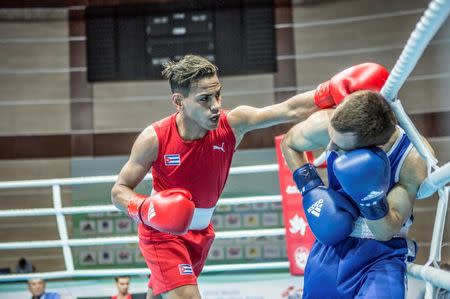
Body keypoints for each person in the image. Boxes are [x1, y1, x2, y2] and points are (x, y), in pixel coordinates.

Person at [111, 54, 388, 299]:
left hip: (200, 234)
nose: (216, 106)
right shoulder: (154, 138)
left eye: (218, 94)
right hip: (162, 233)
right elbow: (119, 190)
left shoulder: (232, 124)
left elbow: (288, 109)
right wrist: (146, 208)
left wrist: (329, 92)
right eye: (204, 99)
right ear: (178, 102)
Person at [281, 89, 433, 298]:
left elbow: (384, 232)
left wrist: (369, 196)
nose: (331, 147)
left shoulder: (412, 157)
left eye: (340, 146)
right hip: (331, 247)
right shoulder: (329, 124)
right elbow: (289, 142)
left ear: (371, 149)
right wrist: (310, 186)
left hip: (381, 255)